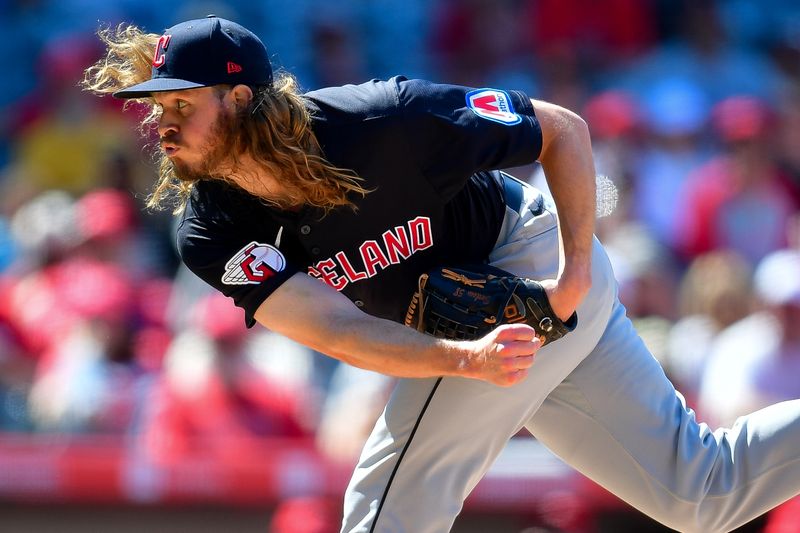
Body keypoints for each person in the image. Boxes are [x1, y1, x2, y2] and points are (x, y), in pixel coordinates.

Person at [83, 15, 800, 533]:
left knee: (386, 511)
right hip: (468, 328)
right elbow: (336, 328)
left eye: (181, 103)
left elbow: (562, 129)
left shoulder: (380, 121)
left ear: (240, 99)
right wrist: (462, 359)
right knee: (699, 493)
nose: (161, 123)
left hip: (527, 253)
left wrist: (577, 269)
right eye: (157, 106)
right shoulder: (212, 230)